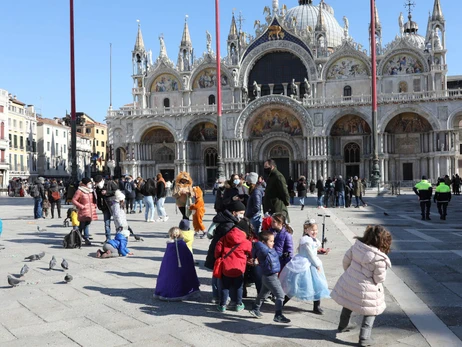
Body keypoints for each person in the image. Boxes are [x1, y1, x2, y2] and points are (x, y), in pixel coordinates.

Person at [331, 225, 392, 347]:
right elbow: (379, 278)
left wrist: (350, 273)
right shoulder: (379, 259)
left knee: (348, 302)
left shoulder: (357, 247)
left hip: (351, 281)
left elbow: (345, 261)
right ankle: (364, 338)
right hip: (368, 287)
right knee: (371, 310)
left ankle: (343, 325)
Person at [279, 219, 330, 314]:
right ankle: (281, 302)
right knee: (295, 285)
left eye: (316, 230)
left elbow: (313, 250)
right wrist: (317, 265)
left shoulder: (311, 239)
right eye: (312, 230)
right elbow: (310, 254)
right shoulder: (306, 241)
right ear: (306, 230)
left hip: (312, 263)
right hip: (305, 264)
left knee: (317, 284)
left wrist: (320, 251)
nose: (315, 232)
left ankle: (316, 306)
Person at [205, 200, 245, 303]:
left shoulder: (220, 218)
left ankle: (216, 296)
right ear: (234, 212)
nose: (242, 215)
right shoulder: (229, 224)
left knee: (216, 273)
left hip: (215, 248)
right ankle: (221, 296)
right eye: (241, 213)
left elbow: (209, 234)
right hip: (222, 251)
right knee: (221, 275)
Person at [249, 231, 291, 323]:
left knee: (263, 294)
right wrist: (259, 241)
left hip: (268, 276)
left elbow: (275, 255)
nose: (273, 243)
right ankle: (278, 315)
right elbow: (259, 245)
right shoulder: (263, 251)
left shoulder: (270, 250)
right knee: (280, 295)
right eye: (271, 241)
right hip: (270, 277)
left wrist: (283, 255)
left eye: (273, 241)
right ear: (263, 243)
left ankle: (255, 309)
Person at [215, 218, 253, 312]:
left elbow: (217, 251)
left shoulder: (224, 238)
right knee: (239, 287)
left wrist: (219, 256)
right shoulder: (246, 242)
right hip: (239, 268)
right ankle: (238, 304)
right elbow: (250, 253)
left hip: (226, 267)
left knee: (225, 287)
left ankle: (222, 305)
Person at [154, 227, 200, 301]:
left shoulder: (170, 245)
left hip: (170, 269)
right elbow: (188, 255)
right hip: (182, 267)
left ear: (171, 234)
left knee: (168, 277)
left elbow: (167, 259)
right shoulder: (182, 244)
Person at [72, 177, 98, 246]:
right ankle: (79, 238)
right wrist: (81, 206)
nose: (90, 184)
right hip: (83, 211)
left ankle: (86, 238)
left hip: (90, 210)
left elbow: (93, 200)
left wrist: (94, 204)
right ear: (85, 183)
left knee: (87, 224)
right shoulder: (79, 191)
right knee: (82, 225)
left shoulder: (90, 191)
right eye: (89, 183)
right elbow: (74, 200)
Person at [94, 175, 120, 241]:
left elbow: (117, 192)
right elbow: (98, 198)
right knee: (106, 223)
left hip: (113, 205)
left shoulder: (110, 183)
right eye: (96, 183)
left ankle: (119, 237)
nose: (97, 184)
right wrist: (99, 206)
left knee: (117, 222)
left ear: (102, 180)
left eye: (98, 182)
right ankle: (108, 238)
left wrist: (107, 192)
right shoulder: (98, 188)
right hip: (105, 206)